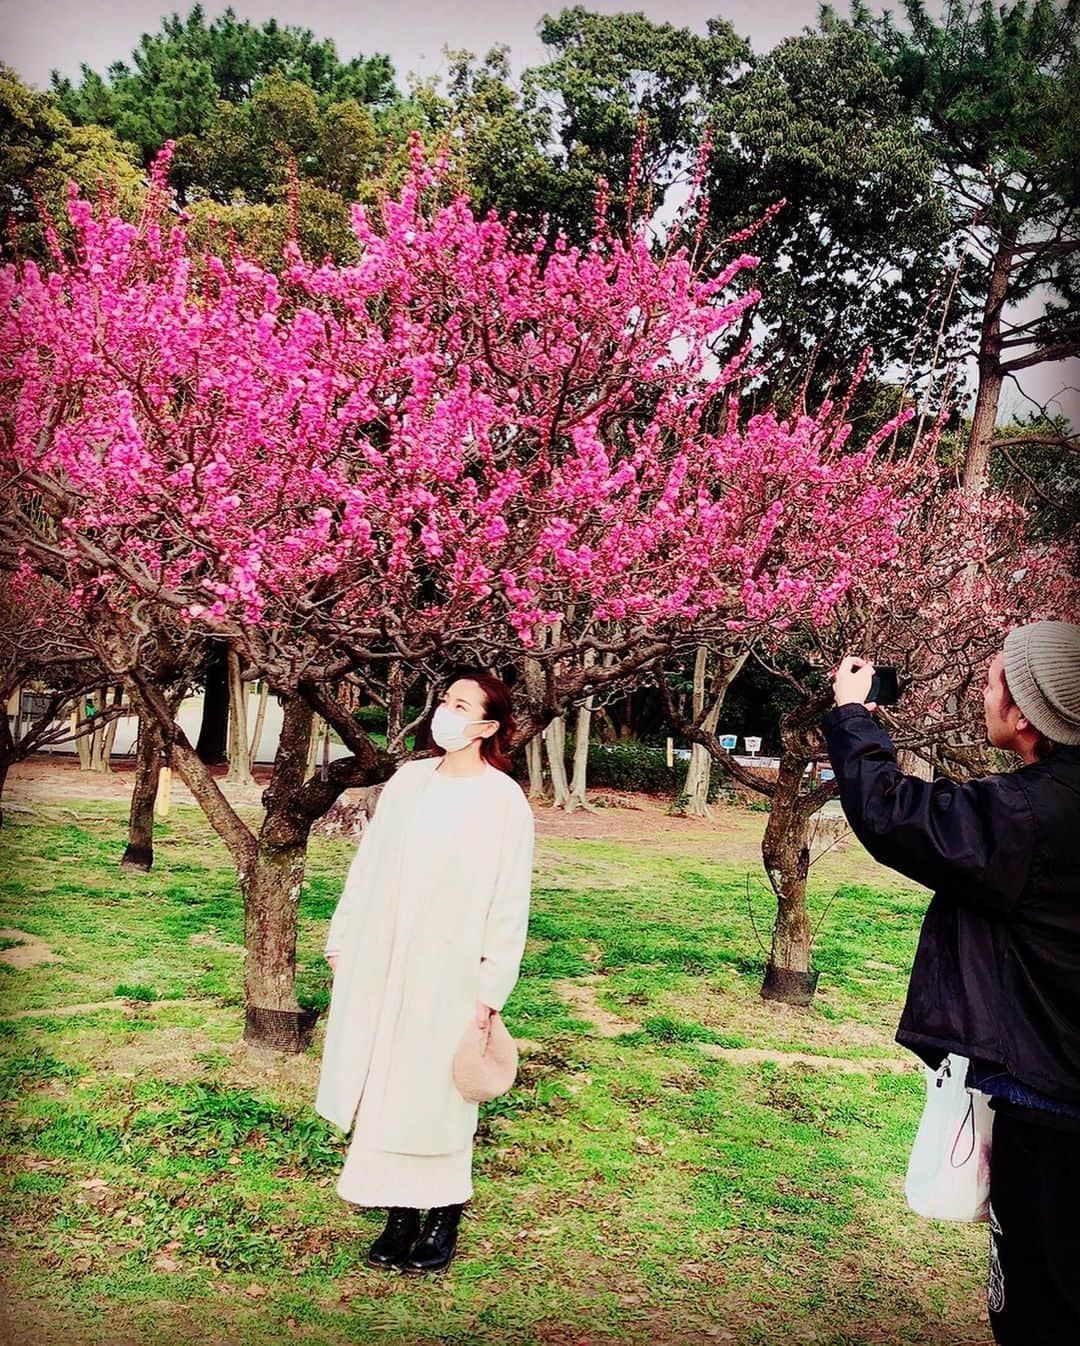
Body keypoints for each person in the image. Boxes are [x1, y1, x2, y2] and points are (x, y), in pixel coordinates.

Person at [821, 621, 1080, 1346]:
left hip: (1051, 1105)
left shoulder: (1033, 815)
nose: (984, 690)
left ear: (1027, 713)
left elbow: (895, 816)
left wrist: (851, 716)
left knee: (1041, 1302)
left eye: (996, 677)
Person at [315, 670, 535, 1274]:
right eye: (444, 700)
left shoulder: (502, 799)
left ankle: (443, 1212)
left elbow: (509, 899)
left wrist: (491, 988)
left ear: (486, 726)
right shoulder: (410, 782)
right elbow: (369, 866)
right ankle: (398, 1212)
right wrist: (345, 937)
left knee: (439, 1089)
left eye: (460, 705)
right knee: (386, 1081)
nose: (445, 711)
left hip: (452, 969)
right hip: (387, 957)